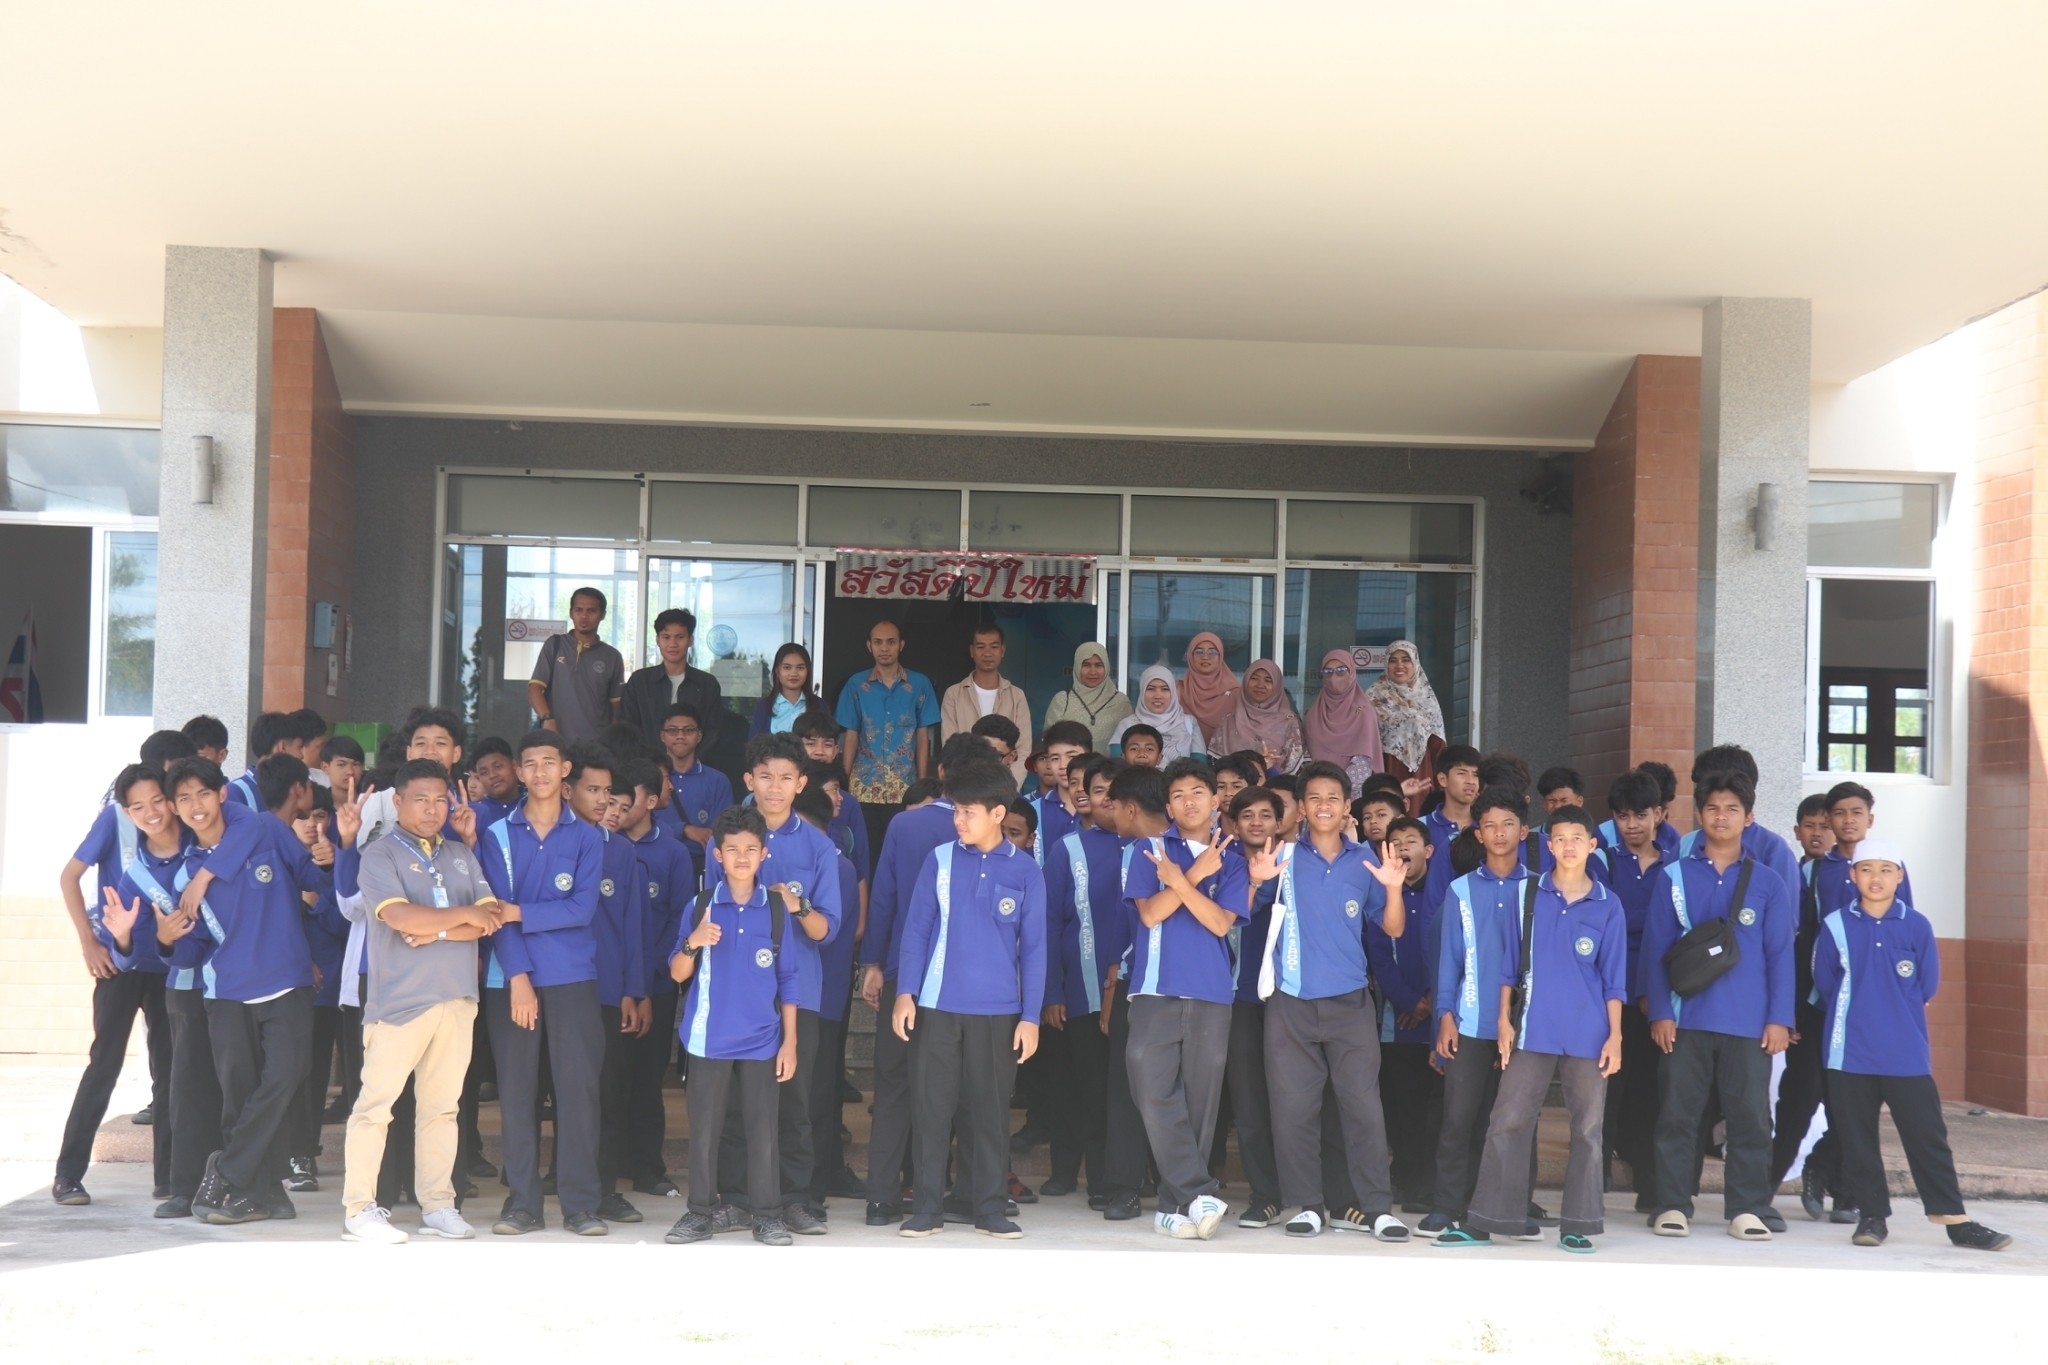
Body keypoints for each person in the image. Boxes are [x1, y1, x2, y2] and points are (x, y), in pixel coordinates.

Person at [1433, 806, 1625, 1253]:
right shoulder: (1530, 893)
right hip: (1532, 1027)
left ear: (1592, 845)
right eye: (1560, 838)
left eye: (1577, 838)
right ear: (1548, 845)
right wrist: (1503, 1019)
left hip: (1589, 1032)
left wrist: (1616, 1036)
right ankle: (1484, 1221)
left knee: (1588, 1130)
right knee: (1507, 1121)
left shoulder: (1608, 903)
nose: (1569, 846)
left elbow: (1614, 979)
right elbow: (1508, 966)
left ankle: (1578, 1224)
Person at [1814, 840, 2010, 1252]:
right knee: (1857, 1140)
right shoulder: (1834, 925)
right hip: (1849, 1052)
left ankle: (1955, 1221)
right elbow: (1827, 984)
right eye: (1867, 869)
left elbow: (1927, 985)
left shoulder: (1917, 924)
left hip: (1906, 1052)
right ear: (1852, 875)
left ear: (1899, 876)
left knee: (1927, 1137)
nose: (1876, 878)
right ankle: (1872, 1216)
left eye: (1886, 870)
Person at [163, 756, 330, 1225]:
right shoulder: (184, 874)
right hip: (227, 994)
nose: (196, 805)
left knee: (285, 1079)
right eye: (183, 798)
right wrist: (165, 940)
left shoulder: (264, 829)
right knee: (240, 1099)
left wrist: (330, 859)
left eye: (203, 793)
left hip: (288, 982)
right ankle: (264, 1194)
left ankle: (226, 1169)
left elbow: (312, 879)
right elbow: (191, 949)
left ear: (222, 794)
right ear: (174, 807)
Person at [338, 758, 497, 1244]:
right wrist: (460, 918)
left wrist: (440, 929)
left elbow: (490, 917)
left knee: (442, 1109)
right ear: (399, 801)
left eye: (440, 800)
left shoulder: (461, 853)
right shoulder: (379, 854)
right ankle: (359, 1209)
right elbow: (401, 918)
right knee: (375, 1108)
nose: (432, 809)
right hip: (400, 1003)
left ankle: (438, 1205)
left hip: (457, 998)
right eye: (421, 799)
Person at [891, 761, 1047, 1239]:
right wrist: (905, 993)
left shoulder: (1026, 870)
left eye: (968, 812)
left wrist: (1031, 1016)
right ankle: (927, 1208)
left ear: (998, 813)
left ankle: (990, 1207)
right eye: (956, 810)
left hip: (999, 1012)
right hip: (937, 1005)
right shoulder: (939, 859)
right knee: (931, 1109)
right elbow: (917, 930)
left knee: (990, 1114)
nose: (958, 820)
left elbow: (1035, 948)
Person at [1260, 759, 1411, 1240]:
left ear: (1348, 807)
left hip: (1350, 1003)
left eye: (1333, 798)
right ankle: (1307, 1205)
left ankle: (1378, 1207)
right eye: (1314, 798)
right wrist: (1256, 879)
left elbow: (1392, 928)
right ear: (1301, 809)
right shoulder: (1283, 856)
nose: (1324, 806)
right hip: (1291, 1002)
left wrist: (1393, 889)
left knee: (1363, 1107)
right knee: (1294, 1109)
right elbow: (1239, 913)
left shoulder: (1366, 860)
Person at [1641, 770, 1794, 1241]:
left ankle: (1747, 1208)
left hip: (1749, 1024)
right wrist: (1660, 1012)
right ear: (1699, 815)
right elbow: (1655, 948)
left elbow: (1780, 955)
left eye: (1732, 809)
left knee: (1750, 1118)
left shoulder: (1768, 883)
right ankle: (1672, 1204)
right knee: (1677, 1115)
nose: (1721, 817)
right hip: (1685, 1019)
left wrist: (1780, 1019)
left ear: (1749, 818)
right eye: (1712, 808)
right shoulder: (1674, 876)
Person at [856, 731, 999, 1224]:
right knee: (970, 1090)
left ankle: (881, 1198)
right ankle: (970, 1194)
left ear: (940, 773)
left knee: (895, 1085)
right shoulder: (993, 830)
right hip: (972, 985)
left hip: (907, 973)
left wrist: (873, 963)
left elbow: (884, 897)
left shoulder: (905, 824)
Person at [50, 730, 196, 1207]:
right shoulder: (115, 819)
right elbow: (70, 876)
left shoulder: (191, 827)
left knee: (170, 1073)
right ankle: (68, 1175)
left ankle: (168, 1179)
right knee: (104, 1066)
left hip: (173, 968)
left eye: (159, 799)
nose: (152, 810)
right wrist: (89, 941)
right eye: (140, 804)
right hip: (120, 963)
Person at [476, 730, 609, 1237]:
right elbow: (496, 915)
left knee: (578, 1093)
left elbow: (581, 909)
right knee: (517, 1093)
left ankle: (581, 1205)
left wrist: (522, 912)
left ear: (565, 768)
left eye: (549, 762)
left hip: (573, 976)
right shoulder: (497, 834)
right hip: (511, 979)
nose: (539, 773)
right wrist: (519, 978)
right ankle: (523, 1204)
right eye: (529, 764)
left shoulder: (587, 836)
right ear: (519, 771)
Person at [711, 733, 842, 1234]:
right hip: (735, 991)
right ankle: (736, 1198)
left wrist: (797, 904)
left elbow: (827, 930)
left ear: (801, 783)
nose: (774, 787)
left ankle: (794, 1200)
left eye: (786, 777)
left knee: (794, 1100)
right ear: (749, 779)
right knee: (734, 1101)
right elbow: (709, 909)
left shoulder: (819, 846)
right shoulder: (728, 834)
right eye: (765, 776)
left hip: (798, 989)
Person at [1119, 758, 1251, 1240]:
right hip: (1154, 988)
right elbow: (1150, 914)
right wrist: (1189, 876)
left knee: (1200, 1102)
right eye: (1178, 795)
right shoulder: (1149, 850)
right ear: (1168, 806)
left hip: (1211, 990)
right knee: (1152, 1088)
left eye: (1198, 792)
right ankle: (1199, 1193)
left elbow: (1219, 923)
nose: (1189, 801)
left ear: (1216, 800)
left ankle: (1174, 1207)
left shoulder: (1233, 859)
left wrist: (1178, 881)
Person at [662, 806, 801, 1247]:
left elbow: (789, 979)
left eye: (750, 849)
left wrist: (790, 1042)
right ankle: (699, 1212)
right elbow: (677, 973)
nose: (742, 857)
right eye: (732, 849)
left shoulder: (776, 909)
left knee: (763, 1132)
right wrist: (694, 941)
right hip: (708, 1037)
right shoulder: (701, 906)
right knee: (704, 1133)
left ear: (763, 854)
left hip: (763, 1039)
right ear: (718, 855)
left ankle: (768, 1216)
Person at [1424, 786, 1532, 1234]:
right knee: (1458, 1118)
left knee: (1516, 1121)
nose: (1499, 833)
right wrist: (1444, 1016)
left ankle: (1514, 1208)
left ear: (1524, 831)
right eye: (1490, 825)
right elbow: (1448, 960)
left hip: (1525, 1027)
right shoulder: (1460, 890)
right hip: (1469, 1021)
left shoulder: (1540, 889)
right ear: (1478, 834)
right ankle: (1447, 1205)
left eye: (1508, 824)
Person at [560, 744, 649, 1226]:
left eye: (609, 794)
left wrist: (634, 990)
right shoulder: (553, 840)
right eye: (594, 791)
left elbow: (633, 926)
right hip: (560, 984)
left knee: (609, 1091)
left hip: (609, 988)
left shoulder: (622, 851)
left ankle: (606, 1189)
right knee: (563, 1091)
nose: (602, 802)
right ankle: (559, 1180)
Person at [1038, 756, 1127, 1201]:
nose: (1107, 799)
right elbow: (1048, 923)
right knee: (1074, 1085)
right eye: (1098, 790)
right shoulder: (1067, 849)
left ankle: (1110, 1178)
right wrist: (1051, 990)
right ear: (1084, 797)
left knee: (1117, 1091)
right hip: (1078, 990)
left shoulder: (1147, 847)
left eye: (1115, 791)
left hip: (1132, 992)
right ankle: (1065, 1171)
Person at [612, 754, 695, 1200]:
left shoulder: (673, 852)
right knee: (606, 1079)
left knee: (646, 1080)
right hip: (608, 985)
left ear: (649, 800)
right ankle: (603, 1166)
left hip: (656, 985)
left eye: (628, 799)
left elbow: (681, 920)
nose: (618, 808)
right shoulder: (600, 845)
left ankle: (646, 1167)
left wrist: (645, 978)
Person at [1775, 791, 1854, 1223]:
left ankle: (1839, 1185)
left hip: (1854, 1010)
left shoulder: (1866, 872)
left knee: (1850, 1103)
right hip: (1810, 1008)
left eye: (1828, 824)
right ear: (1798, 831)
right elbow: (1793, 947)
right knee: (1800, 1097)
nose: (1820, 832)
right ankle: (1761, 1189)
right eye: (1812, 825)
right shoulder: (1799, 874)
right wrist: (1789, 1011)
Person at [1599, 770, 1671, 1205]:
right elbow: (1604, 922)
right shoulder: (1602, 862)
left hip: (1655, 996)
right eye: (1623, 816)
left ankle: (1650, 1188)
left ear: (1659, 814)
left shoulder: (1675, 867)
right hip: (1609, 996)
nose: (1632, 825)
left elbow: (1673, 930)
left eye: (1641, 815)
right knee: (1604, 1093)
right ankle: (1593, 1186)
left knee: (1650, 1092)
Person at [1218, 784, 1285, 1229]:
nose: (1256, 823)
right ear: (1233, 823)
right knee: (1249, 1103)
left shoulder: (1296, 864)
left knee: (1296, 1098)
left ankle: (1310, 1190)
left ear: (1280, 822)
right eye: (1247, 816)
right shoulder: (1222, 865)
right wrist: (1255, 881)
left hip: (1290, 999)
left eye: (1265, 815)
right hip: (1237, 998)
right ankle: (1265, 1195)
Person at [1367, 815, 1441, 1214]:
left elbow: (1453, 950)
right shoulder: (1381, 898)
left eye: (1410, 841)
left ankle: (1431, 1184)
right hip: (1397, 1024)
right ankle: (1407, 1179)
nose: (1402, 849)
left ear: (1428, 850)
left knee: (1436, 1109)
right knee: (1402, 1108)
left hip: (1440, 1024)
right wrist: (1410, 1002)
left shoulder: (1445, 894)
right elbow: (1379, 958)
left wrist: (1430, 998)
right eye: (1394, 843)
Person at [837, 619, 941, 841]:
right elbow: (851, 734)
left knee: (901, 847)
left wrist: (922, 781)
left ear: (901, 645)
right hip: (863, 785)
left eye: (891, 642)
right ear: (869, 646)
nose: (884, 648)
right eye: (878, 642)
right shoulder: (856, 684)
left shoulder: (919, 684)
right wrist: (843, 780)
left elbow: (923, 736)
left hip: (905, 786)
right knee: (867, 849)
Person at [620, 608, 725, 754]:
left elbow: (713, 732)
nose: (673, 644)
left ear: (690, 640)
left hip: (693, 764)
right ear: (658, 640)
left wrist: (690, 762)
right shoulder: (639, 682)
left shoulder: (707, 684)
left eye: (680, 637)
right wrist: (647, 762)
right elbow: (627, 728)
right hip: (648, 764)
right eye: (666, 637)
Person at [528, 587, 626, 742]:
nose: (584, 616)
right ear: (571, 613)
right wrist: (547, 718)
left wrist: (614, 744)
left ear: (602, 615)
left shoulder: (612, 656)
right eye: (578, 610)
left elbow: (616, 707)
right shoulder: (555, 645)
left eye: (591, 611)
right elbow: (535, 688)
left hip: (596, 745)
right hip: (556, 742)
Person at [940, 624, 1033, 785]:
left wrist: (1007, 787)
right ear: (972, 651)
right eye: (981, 646)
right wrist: (967, 787)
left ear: (1002, 650)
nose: (987, 653)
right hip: (965, 786)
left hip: (1005, 786)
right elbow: (951, 746)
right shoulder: (954, 694)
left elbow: (1023, 750)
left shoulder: (1016, 696)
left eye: (994, 647)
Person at [1364, 639, 1446, 816]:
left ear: (1415, 663)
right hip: (1385, 770)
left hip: (1421, 776)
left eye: (1406, 660)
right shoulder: (1371, 698)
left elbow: (1437, 746)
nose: (1399, 665)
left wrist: (1441, 785)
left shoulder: (1427, 700)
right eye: (1393, 660)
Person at [1815, 781, 1915, 920]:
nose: (1848, 820)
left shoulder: (1891, 864)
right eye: (1839, 813)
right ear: (1828, 821)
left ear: (1870, 820)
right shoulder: (1813, 869)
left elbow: (1906, 916)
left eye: (1856, 812)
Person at [661, 702, 733, 887]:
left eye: (688, 730)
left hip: (701, 873)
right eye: (672, 730)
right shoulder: (650, 777)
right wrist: (684, 829)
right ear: (662, 736)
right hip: (657, 868)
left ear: (699, 736)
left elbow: (716, 836)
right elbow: (641, 826)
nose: (680, 736)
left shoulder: (718, 781)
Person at [1303, 649, 1384, 796]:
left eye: (1341, 671)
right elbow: (1307, 757)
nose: (1333, 677)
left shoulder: (1363, 713)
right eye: (1327, 672)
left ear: (1351, 673)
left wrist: (1337, 791)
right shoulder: (1313, 714)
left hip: (1351, 794)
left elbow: (1363, 762)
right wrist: (1318, 786)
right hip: (1317, 792)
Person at [1209, 659, 1305, 777]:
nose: (1260, 685)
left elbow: (1297, 771)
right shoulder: (1227, 723)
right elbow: (1214, 766)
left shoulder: (1290, 723)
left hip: (1276, 787)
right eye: (1254, 678)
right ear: (1245, 681)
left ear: (1277, 686)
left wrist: (1270, 768)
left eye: (1268, 680)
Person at [1421, 745, 1484, 913]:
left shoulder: (1488, 829)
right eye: (1462, 773)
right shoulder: (1419, 827)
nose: (1471, 781)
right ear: (1443, 779)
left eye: (1476, 774)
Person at [1042, 642, 1132, 754]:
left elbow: (1129, 744)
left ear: (1107, 667)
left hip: (1109, 765)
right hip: (1069, 765)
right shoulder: (1062, 701)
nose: (1093, 672)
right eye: (1086, 665)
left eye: (1099, 665)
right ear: (1077, 667)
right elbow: (1049, 742)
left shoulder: (1121, 703)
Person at [1030, 720, 1093, 864]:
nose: (1063, 765)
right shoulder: (1033, 811)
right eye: (1055, 758)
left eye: (1071, 756)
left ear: (1089, 756)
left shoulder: (1105, 809)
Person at [1112, 666, 1201, 764]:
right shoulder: (1126, 725)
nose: (1158, 696)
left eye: (1165, 689)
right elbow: (1118, 766)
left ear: (1173, 692)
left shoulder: (1189, 723)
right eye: (1151, 689)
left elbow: (1199, 766)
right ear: (1142, 691)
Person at [750, 643, 831, 737]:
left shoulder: (820, 705)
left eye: (800, 668)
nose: (793, 673)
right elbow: (754, 743)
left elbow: (828, 739)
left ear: (808, 671)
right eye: (787, 667)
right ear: (777, 671)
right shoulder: (764, 706)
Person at [1177, 632, 1240, 749]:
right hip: (1184, 757)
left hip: (1224, 757)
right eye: (1199, 652)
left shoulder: (1235, 693)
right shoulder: (1178, 690)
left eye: (1212, 652)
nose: (1205, 657)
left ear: (1220, 656)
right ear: (1190, 656)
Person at [224, 712, 298, 807]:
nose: (301, 755)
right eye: (299, 747)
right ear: (282, 747)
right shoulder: (235, 791)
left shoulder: (292, 790)